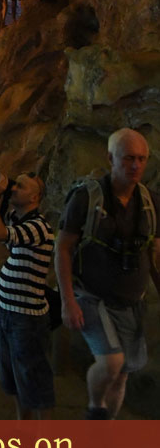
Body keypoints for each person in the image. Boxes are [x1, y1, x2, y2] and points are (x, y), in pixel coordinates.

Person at [55, 129, 160, 419]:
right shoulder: (86, 199)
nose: (136, 165)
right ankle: (95, 408)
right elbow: (63, 248)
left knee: (123, 373)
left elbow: (155, 254)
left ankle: (105, 431)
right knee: (112, 362)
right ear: (111, 158)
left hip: (132, 301)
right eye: (128, 158)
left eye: (141, 159)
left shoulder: (151, 203)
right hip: (92, 296)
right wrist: (68, 301)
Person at [0, 171, 55, 420]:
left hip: (27, 319)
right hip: (8, 314)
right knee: (13, 378)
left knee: (34, 382)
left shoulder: (38, 227)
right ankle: (24, 430)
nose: (15, 189)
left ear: (35, 196)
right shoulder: (16, 219)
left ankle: (48, 444)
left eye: (20, 186)